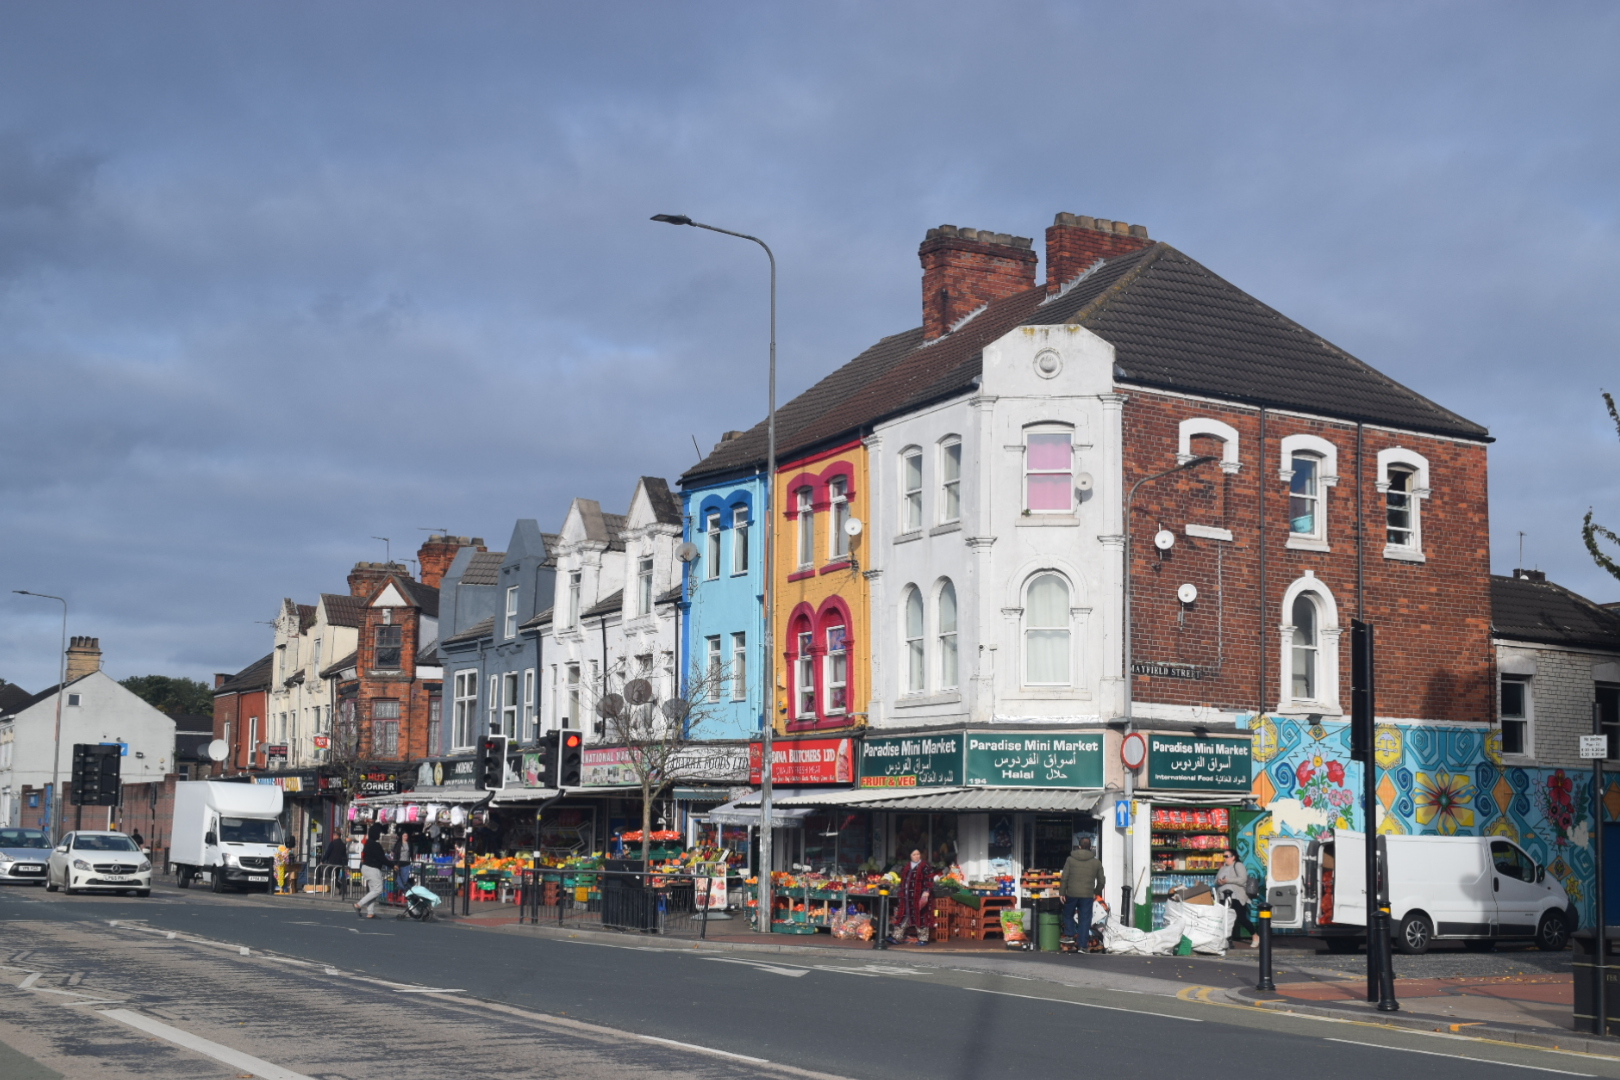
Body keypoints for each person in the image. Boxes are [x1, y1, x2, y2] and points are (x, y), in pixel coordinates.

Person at [1059, 836, 1105, 952]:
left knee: (1068, 914)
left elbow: (1064, 877)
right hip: (1087, 895)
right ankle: (1083, 946)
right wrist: (1096, 892)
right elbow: (1101, 881)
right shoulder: (1096, 862)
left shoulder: (1070, 859)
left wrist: (1062, 892)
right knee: (1085, 920)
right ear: (1090, 848)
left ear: (1079, 846)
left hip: (1072, 893)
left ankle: (1069, 934)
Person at [890, 849, 935, 945]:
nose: (917, 856)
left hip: (919, 897)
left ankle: (923, 939)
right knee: (903, 916)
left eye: (918, 854)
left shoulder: (925, 866)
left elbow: (930, 880)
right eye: (914, 854)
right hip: (906, 898)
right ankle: (896, 937)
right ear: (910, 856)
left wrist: (927, 891)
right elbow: (903, 881)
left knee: (921, 917)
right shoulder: (907, 866)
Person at [1216, 849, 1255, 946]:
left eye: (1227, 856)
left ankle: (1255, 935)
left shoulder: (1238, 865)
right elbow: (1215, 880)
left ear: (1233, 857)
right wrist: (1219, 882)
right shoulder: (1222, 868)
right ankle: (1228, 940)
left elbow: (1242, 879)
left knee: (1241, 918)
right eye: (1224, 856)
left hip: (1236, 896)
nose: (1225, 858)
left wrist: (1228, 880)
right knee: (1225, 919)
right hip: (1223, 896)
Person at [354, 827, 390, 919]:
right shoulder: (375, 845)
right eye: (379, 833)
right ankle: (359, 904)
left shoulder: (368, 843)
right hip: (373, 868)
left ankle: (370, 912)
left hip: (365, 867)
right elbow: (382, 858)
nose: (379, 835)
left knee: (373, 890)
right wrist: (393, 865)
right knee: (378, 889)